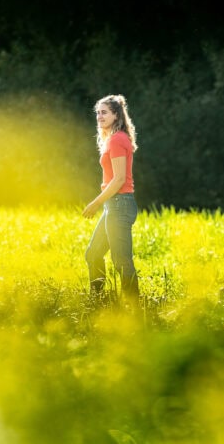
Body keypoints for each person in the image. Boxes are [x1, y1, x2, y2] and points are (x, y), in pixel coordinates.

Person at [83, 94, 140, 299]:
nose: (99, 116)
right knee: (93, 254)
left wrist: (95, 203)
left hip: (119, 204)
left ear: (116, 115)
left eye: (104, 112)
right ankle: (98, 301)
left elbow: (119, 179)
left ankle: (134, 308)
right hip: (114, 205)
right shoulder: (114, 139)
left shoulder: (117, 140)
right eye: (98, 113)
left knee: (121, 260)